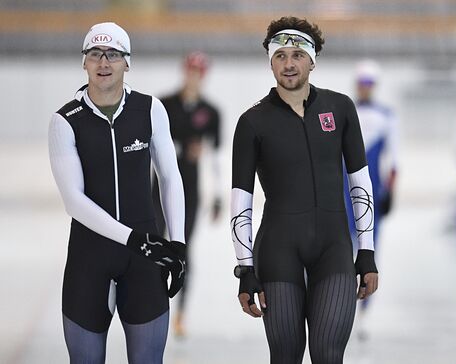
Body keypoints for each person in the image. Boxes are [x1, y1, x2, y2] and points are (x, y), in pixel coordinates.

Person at [230, 16, 379, 363]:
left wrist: (367, 252)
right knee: (285, 355)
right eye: (280, 56)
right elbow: (241, 201)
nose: (288, 63)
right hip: (279, 251)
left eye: (297, 55)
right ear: (270, 62)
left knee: (328, 354)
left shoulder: (340, 109)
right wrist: (245, 269)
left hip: (334, 249)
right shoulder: (252, 122)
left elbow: (360, 183)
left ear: (312, 60)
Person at [48, 22, 187, 363]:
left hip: (145, 258)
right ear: (84, 62)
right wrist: (134, 239)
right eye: (95, 54)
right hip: (89, 258)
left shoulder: (149, 109)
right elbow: (74, 201)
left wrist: (179, 244)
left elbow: (170, 177)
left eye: (113, 54)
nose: (104, 62)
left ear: (128, 61)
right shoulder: (65, 120)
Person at [152, 50, 222, 337]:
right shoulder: (163, 105)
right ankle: (153, 308)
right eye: (190, 71)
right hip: (160, 187)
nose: (193, 76)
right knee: (154, 247)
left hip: (190, 191)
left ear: (203, 76)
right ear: (184, 72)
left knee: (182, 249)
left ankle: (180, 313)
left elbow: (216, 156)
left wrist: (218, 195)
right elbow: (148, 144)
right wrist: (183, 149)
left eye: (198, 72)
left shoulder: (211, 112)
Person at [343, 60, 398, 340]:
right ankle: (343, 308)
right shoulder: (343, 111)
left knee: (369, 253)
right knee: (342, 253)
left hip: (373, 194)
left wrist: (392, 192)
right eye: (361, 83)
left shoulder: (387, 116)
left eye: (369, 84)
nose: (365, 88)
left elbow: (394, 158)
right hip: (343, 193)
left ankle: (363, 313)